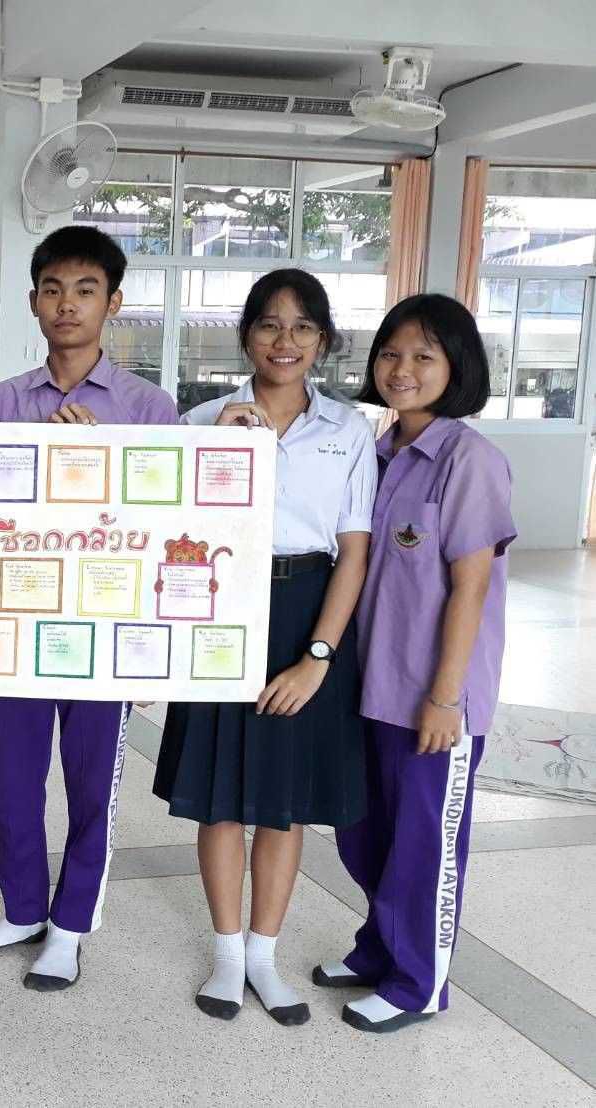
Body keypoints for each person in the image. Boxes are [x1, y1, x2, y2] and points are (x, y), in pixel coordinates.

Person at [152, 269, 376, 1026]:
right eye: (270, 324)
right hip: (220, 602)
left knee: (283, 805)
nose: (286, 341)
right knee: (218, 796)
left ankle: (263, 957)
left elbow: (353, 552)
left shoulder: (347, 430)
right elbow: (166, 531)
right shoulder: (200, 419)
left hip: (307, 608)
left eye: (303, 327)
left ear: (323, 340)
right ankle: (225, 956)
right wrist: (213, 451)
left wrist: (317, 657)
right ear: (246, 335)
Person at [0, 226, 177, 990]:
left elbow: (164, 526)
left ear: (112, 303)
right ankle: (22, 908)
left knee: (90, 786)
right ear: (32, 301)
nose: (66, 305)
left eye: (85, 290)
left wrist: (99, 459)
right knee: (11, 781)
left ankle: (70, 925)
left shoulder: (148, 407)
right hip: (20, 628)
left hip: (104, 634)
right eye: (52, 289)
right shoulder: (1, 401)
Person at [320, 294, 515, 1033]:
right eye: (390, 354)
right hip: (371, 686)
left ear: (455, 368)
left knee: (422, 844)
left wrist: (445, 698)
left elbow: (470, 589)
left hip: (432, 698)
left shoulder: (469, 461)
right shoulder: (379, 451)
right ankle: (379, 948)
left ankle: (417, 983)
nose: (401, 370)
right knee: (365, 832)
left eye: (423, 357)